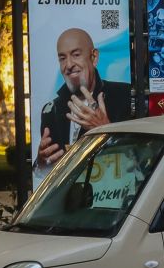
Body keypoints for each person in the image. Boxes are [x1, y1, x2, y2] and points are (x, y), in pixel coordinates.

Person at [37, 28, 133, 170]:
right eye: (62, 58)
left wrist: (105, 131)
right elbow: (47, 171)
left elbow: (140, 158)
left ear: (94, 57)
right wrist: (41, 163)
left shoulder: (124, 95)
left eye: (76, 55)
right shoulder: (51, 110)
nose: (69, 65)